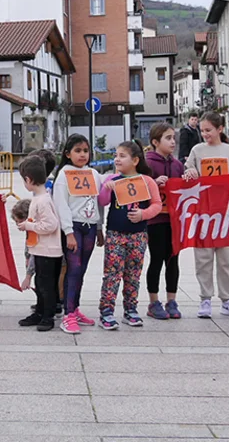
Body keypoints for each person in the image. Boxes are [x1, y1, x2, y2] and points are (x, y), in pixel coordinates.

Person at [183, 111, 229, 319]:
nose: (205, 134)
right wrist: (190, 173)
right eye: (202, 130)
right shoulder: (197, 150)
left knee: (224, 259)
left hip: (226, 213)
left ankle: (228, 299)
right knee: (203, 258)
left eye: (209, 130)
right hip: (203, 212)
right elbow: (187, 173)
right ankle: (205, 298)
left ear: (220, 129)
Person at [97, 141, 162, 330]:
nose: (117, 159)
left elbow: (157, 204)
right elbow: (102, 201)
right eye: (116, 155)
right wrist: (106, 188)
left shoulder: (147, 181)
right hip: (115, 234)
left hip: (138, 235)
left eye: (122, 156)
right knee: (112, 273)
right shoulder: (113, 179)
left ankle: (131, 309)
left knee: (133, 274)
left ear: (135, 160)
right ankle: (106, 311)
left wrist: (143, 214)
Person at [50, 136, 102, 334]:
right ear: (68, 153)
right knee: (73, 269)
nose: (82, 155)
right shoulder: (64, 174)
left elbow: (97, 202)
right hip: (74, 228)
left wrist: (99, 227)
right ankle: (68, 314)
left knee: (82, 270)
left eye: (85, 151)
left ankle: (75, 308)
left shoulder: (94, 174)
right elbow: (61, 204)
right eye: (78, 151)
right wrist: (68, 232)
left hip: (90, 227)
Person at [16, 155, 63, 332]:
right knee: (41, 283)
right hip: (41, 249)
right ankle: (40, 312)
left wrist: (29, 225)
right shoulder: (41, 197)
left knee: (46, 286)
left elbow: (51, 225)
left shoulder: (43, 200)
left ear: (28, 180)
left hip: (48, 251)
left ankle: (47, 316)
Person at [144, 123, 185, 320]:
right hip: (155, 220)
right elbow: (138, 187)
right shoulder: (147, 164)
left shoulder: (177, 165)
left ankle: (172, 300)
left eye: (173, 138)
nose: (172, 142)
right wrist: (153, 183)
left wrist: (189, 176)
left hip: (174, 220)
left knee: (173, 260)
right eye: (168, 138)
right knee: (156, 260)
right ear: (155, 142)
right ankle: (153, 302)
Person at [11, 199, 36, 299]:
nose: (18, 225)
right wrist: (27, 257)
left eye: (20, 222)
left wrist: (28, 277)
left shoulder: (35, 230)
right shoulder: (30, 229)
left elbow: (34, 252)